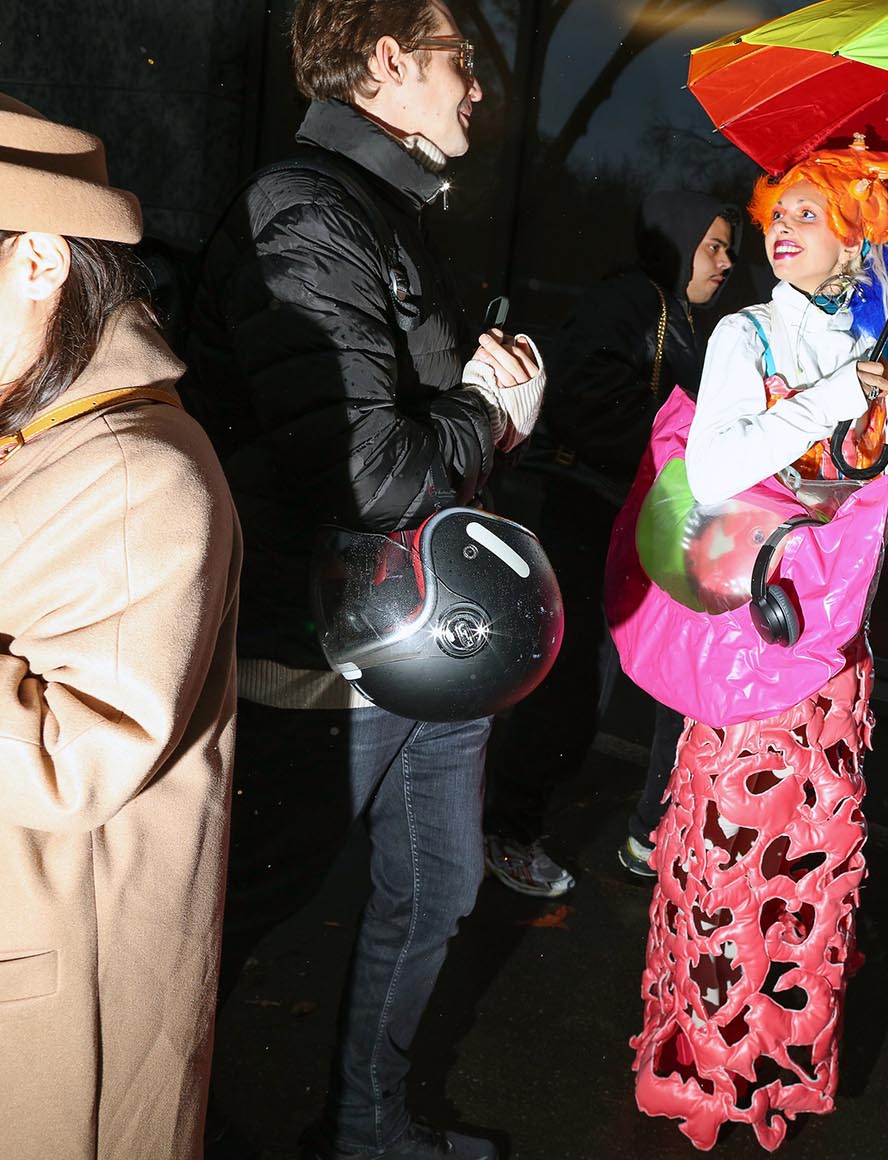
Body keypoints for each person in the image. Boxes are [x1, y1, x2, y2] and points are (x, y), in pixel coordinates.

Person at [180, 4, 543, 1158]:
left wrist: (486, 403)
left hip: (418, 643)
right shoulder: (304, 208)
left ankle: (366, 1132)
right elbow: (373, 472)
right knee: (238, 915)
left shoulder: (389, 208)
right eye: (460, 60)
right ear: (387, 61)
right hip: (315, 648)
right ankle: (163, 1124)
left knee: (436, 892)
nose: (477, 85)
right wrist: (490, 410)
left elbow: (407, 431)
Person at [628, 139, 888, 1151]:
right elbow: (719, 469)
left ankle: (772, 1056)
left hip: (833, 653)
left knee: (805, 865)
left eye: (812, 213)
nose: (784, 224)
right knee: (728, 860)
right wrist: (833, 402)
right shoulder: (746, 335)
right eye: (783, 206)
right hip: (749, 648)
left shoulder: (873, 344)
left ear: (855, 235)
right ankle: (706, 1065)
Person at [0, 94, 242, 1159]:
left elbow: (70, 761)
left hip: (61, 991)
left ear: (40, 259)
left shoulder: (142, 474)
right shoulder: (36, 432)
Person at [485, 192, 740, 897]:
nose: (725, 261)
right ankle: (506, 831)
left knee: (584, 683)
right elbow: (585, 390)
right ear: (679, 238)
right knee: (567, 685)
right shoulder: (633, 299)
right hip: (581, 509)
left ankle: (517, 821)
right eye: (714, 244)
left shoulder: (680, 318)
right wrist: (682, 438)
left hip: (621, 516)